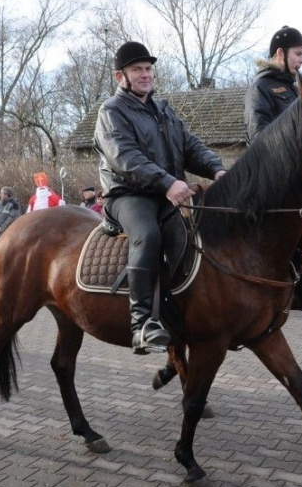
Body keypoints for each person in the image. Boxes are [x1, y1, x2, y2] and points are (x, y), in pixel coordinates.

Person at [95, 40, 226, 354]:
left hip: (165, 194)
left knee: (193, 234)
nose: (145, 74)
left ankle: (183, 310)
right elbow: (124, 158)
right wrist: (167, 182)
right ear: (120, 77)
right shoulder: (111, 112)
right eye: (137, 69)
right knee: (148, 235)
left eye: (148, 68)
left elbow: (190, 146)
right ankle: (141, 324)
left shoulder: (163, 110)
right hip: (128, 194)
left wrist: (217, 170)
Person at [243, 26, 302, 142]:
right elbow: (259, 140)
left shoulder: (294, 89)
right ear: (280, 53)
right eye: (298, 54)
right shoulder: (259, 88)